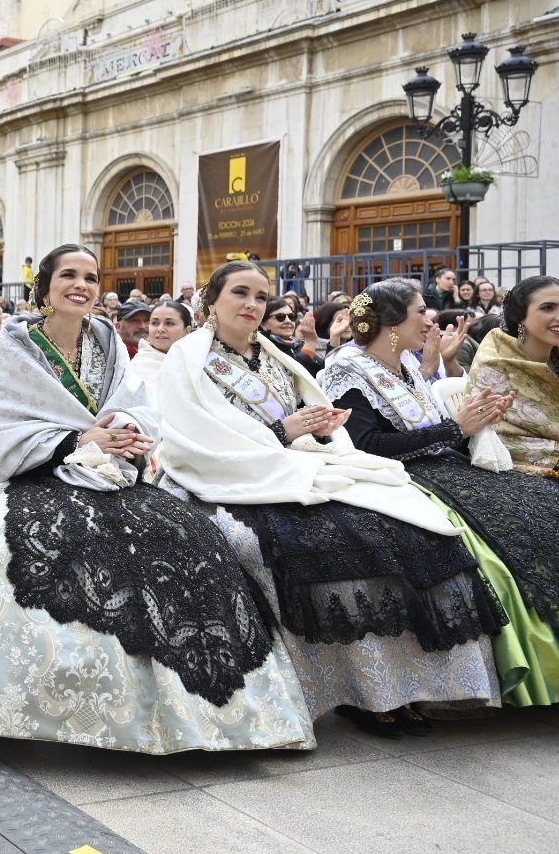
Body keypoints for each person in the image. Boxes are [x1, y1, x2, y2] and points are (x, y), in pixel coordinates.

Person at [0, 245, 310, 753]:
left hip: (112, 471)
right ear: (45, 287)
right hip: (39, 470)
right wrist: (78, 440)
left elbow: (134, 403)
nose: (81, 285)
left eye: (91, 277)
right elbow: (8, 420)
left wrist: (125, 432)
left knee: (183, 536)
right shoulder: (18, 341)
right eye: (69, 276)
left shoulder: (107, 338)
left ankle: (208, 707)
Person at [155, 261, 505, 735]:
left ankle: (399, 684)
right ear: (211, 300)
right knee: (310, 548)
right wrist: (283, 432)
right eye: (241, 293)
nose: (254, 305)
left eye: (262, 296)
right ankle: (354, 691)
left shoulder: (275, 357)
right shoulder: (187, 357)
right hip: (227, 479)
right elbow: (193, 440)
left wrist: (321, 432)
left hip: (297, 468)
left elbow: (311, 423)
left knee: (394, 532)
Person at [320, 279, 557, 706]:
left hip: (446, 468)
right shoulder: (347, 368)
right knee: (505, 540)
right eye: (421, 311)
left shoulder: (408, 365)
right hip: (404, 477)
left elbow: (437, 436)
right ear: (390, 323)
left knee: (540, 505)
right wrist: (455, 428)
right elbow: (366, 444)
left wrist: (475, 424)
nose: (431, 319)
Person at [470, 275, 559, 480]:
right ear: (520, 315)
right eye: (547, 308)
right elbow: (492, 431)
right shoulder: (497, 361)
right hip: (520, 469)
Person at [128, 299, 190, 380]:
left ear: (187, 331)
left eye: (169, 323)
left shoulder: (198, 363)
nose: (160, 329)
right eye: (155, 323)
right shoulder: (135, 369)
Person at [263, 296, 323, 375]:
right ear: (263, 323)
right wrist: (310, 342)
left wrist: (334, 339)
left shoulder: (297, 344)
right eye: (280, 316)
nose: (288, 321)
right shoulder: (262, 348)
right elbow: (297, 377)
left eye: (291, 316)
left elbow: (323, 372)